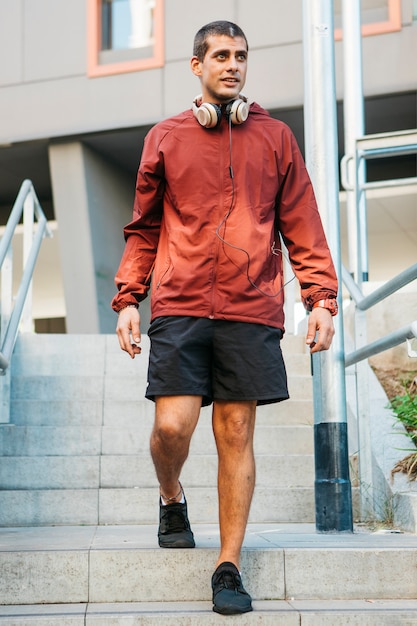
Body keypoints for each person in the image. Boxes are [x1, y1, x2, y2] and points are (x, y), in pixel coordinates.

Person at [112, 20, 338, 616]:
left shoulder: (275, 137)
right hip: (181, 304)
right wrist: (128, 298)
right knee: (172, 429)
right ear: (196, 65)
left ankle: (228, 565)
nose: (232, 64)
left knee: (235, 432)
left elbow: (303, 221)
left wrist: (320, 298)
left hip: (251, 306)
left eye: (240, 55)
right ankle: (170, 494)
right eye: (219, 55)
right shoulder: (166, 137)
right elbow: (144, 227)